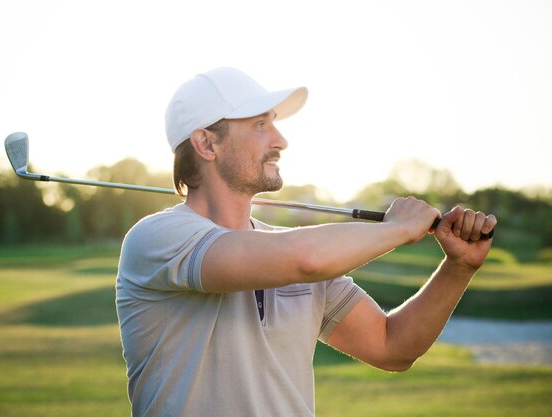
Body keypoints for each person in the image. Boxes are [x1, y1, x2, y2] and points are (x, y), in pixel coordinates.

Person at [115, 67, 497, 416]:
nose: (281, 140)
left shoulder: (294, 249)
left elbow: (392, 348)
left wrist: (458, 267)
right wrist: (397, 228)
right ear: (206, 143)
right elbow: (305, 259)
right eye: (260, 124)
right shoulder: (156, 239)